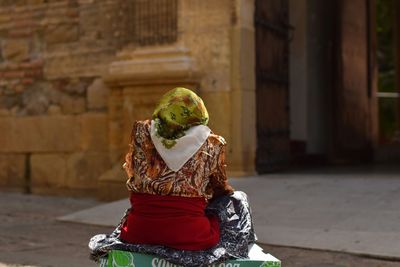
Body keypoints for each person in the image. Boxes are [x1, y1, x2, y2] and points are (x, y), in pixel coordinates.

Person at [89, 87, 256, 266]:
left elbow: (132, 173)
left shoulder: (141, 134)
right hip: (192, 236)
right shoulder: (211, 143)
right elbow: (220, 187)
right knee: (236, 200)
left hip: (137, 232)